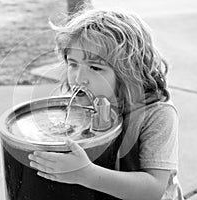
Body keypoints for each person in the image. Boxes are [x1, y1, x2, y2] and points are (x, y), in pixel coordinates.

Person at [28, 8, 184, 200]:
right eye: (73, 64)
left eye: (95, 67)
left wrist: (86, 175)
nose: (79, 78)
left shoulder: (157, 115)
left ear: (128, 72)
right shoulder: (83, 103)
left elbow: (153, 190)